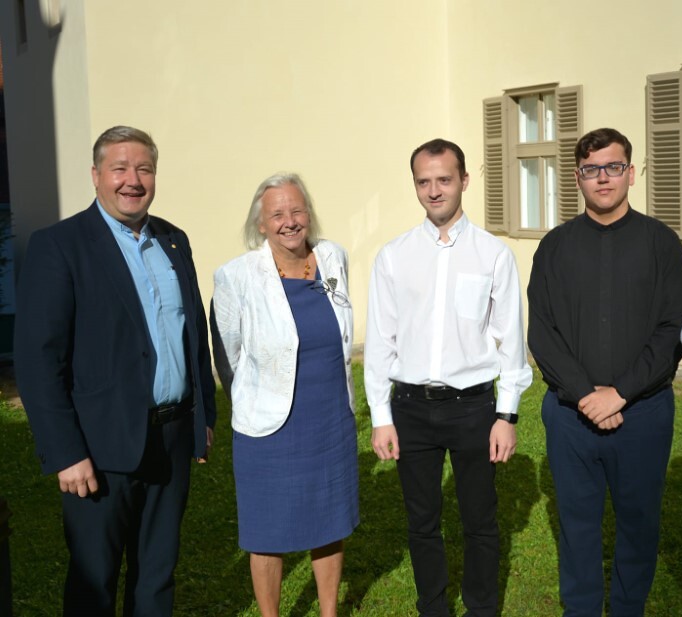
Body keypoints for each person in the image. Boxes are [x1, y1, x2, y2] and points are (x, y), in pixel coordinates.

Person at [13, 125, 216, 616]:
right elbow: (38, 359)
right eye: (119, 168)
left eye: (144, 169)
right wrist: (66, 452)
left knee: (157, 578)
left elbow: (193, 333)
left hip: (170, 439)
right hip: (99, 448)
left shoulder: (173, 241)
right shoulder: (60, 245)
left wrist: (202, 417)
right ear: (96, 175)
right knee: (94, 582)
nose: (133, 180)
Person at [527, 127, 682, 616]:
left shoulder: (661, 243)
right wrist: (585, 395)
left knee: (639, 528)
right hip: (570, 417)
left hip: (642, 413)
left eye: (613, 167)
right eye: (591, 169)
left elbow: (673, 327)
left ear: (631, 173)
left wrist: (619, 393)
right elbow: (542, 333)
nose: (603, 178)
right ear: (577, 177)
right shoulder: (554, 247)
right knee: (576, 527)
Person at [365, 138, 532, 617]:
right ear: (415, 185)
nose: (434, 190)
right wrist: (380, 416)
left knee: (480, 521)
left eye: (444, 179)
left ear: (464, 181)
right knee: (421, 522)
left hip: (473, 408)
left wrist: (506, 416)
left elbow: (511, 342)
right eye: (424, 181)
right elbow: (380, 342)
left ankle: (481, 609)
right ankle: (433, 608)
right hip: (410, 409)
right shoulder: (393, 256)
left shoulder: (492, 254)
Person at [211, 173, 358, 617]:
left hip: (330, 416)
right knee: (265, 531)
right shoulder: (237, 277)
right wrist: (255, 397)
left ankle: (329, 612)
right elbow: (228, 355)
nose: (289, 221)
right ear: (260, 224)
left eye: (296, 210)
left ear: (308, 213)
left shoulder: (333, 257)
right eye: (277, 214)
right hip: (268, 426)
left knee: (329, 521)